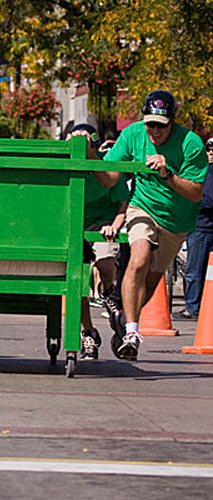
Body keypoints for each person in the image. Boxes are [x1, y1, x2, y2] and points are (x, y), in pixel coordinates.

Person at [87, 90, 208, 360]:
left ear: (172, 121)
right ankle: (131, 333)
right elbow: (108, 179)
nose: (154, 130)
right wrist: (88, 154)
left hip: (176, 221)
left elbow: (196, 192)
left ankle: (123, 324)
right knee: (139, 258)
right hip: (142, 207)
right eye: (150, 123)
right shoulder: (132, 135)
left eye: (161, 125)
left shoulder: (191, 144)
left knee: (151, 279)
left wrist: (167, 174)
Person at [69, 123, 129, 360]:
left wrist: (114, 226)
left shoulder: (108, 166)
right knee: (78, 285)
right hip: (76, 226)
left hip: (104, 224)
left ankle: (110, 294)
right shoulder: (68, 163)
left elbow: (122, 204)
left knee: (105, 264)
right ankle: (89, 333)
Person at [175, 137, 213, 319]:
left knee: (199, 271)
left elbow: (205, 199)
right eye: (209, 149)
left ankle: (196, 307)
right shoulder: (200, 171)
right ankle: (193, 306)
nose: (211, 153)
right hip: (198, 227)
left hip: (204, 227)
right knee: (194, 270)